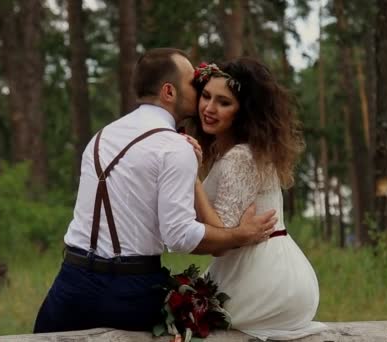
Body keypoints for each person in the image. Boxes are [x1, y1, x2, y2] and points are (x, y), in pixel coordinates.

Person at [33, 48, 278, 333]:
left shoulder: (101, 137)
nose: (199, 91)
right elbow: (179, 236)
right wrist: (237, 236)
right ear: (169, 92)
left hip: (71, 282)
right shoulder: (175, 147)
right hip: (129, 289)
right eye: (193, 83)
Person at [184, 58, 328, 341]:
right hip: (282, 277)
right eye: (206, 96)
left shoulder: (241, 157)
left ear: (244, 112)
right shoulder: (244, 152)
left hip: (265, 284)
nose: (209, 108)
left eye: (224, 102)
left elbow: (220, 242)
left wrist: (191, 177)